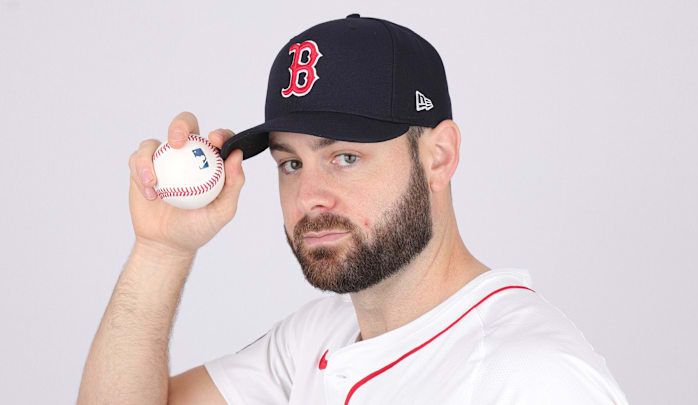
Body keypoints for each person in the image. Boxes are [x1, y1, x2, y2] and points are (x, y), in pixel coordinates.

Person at [78, 14, 629, 405]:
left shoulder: (532, 380)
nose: (309, 197)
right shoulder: (315, 339)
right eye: (290, 162)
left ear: (439, 156)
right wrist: (161, 249)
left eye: (344, 156)